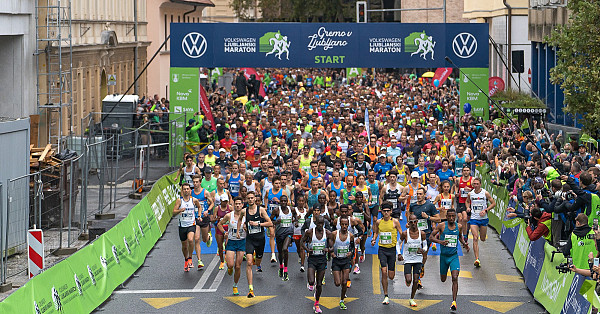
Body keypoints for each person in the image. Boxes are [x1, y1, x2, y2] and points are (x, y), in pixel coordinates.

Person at [430, 209, 469, 311]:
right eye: (449, 216)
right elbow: (431, 237)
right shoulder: (441, 226)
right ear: (446, 217)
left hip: (454, 257)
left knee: (455, 277)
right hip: (443, 257)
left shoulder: (459, 227)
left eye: (453, 216)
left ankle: (454, 302)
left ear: (455, 216)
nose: (451, 218)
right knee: (443, 279)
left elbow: (460, 237)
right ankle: (444, 274)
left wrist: (464, 244)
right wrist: (440, 242)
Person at [237, 191, 272, 297]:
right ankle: (250, 289)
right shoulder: (244, 211)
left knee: (258, 260)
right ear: (246, 200)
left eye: (252, 198)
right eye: (249, 198)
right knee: (248, 262)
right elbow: (239, 220)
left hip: (260, 239)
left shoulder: (260, 210)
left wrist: (258, 224)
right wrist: (239, 230)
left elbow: (270, 223)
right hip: (250, 239)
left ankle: (258, 263)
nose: (251, 200)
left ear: (255, 199)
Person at [371, 201, 403, 305]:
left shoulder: (395, 222)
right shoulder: (378, 222)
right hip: (382, 249)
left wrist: (402, 244)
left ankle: (386, 292)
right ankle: (386, 295)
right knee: (383, 271)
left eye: (387, 211)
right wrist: (374, 239)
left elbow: (401, 234)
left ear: (391, 211)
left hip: (392, 250)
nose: (385, 213)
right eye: (384, 211)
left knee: (391, 276)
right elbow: (376, 232)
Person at [408, 187, 440, 287]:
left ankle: (421, 267)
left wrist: (428, 217)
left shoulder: (430, 205)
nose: (418, 196)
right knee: (416, 253)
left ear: (424, 195)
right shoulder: (413, 205)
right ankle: (417, 277)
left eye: (420, 194)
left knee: (423, 254)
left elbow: (438, 219)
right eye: (417, 194)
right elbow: (409, 215)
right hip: (415, 233)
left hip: (426, 233)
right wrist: (409, 223)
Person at [300, 215, 330, 314]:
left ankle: (316, 304)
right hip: (312, 259)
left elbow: (332, 246)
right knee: (312, 281)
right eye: (319, 223)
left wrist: (328, 250)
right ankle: (310, 282)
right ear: (315, 223)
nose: (320, 225)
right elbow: (302, 241)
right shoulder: (310, 232)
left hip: (322, 260)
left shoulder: (327, 233)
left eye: (322, 223)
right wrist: (308, 249)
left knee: (320, 284)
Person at [217, 197, 246, 295]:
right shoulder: (229, 216)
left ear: (242, 205)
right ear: (233, 205)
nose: (237, 206)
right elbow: (219, 224)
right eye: (236, 204)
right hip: (231, 242)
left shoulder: (246, 216)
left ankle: (235, 285)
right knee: (230, 265)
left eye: (239, 204)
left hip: (241, 242)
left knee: (238, 266)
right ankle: (229, 268)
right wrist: (224, 232)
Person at [465, 177, 496, 267]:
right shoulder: (470, 194)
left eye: (477, 184)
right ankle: (477, 259)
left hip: (483, 219)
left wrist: (486, 210)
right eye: (474, 184)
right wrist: (468, 207)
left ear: (480, 184)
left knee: (482, 238)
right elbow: (467, 202)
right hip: (474, 219)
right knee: (475, 238)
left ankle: (481, 238)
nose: (476, 185)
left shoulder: (485, 193)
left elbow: (493, 203)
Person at [172, 183, 203, 272]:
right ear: (182, 191)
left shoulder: (194, 200)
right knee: (184, 246)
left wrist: (199, 215)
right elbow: (173, 212)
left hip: (191, 224)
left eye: (187, 189)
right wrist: (179, 210)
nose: (186, 191)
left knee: (190, 239)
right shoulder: (179, 201)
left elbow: (199, 207)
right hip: (182, 225)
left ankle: (190, 258)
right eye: (184, 189)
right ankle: (186, 259)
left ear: (190, 190)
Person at [399, 214, 428, 307]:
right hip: (407, 259)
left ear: (417, 222)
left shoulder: (422, 233)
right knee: (409, 280)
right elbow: (398, 243)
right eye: (411, 222)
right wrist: (399, 253)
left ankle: (411, 298)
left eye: (415, 221)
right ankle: (407, 279)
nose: (413, 224)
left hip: (418, 259)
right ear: (409, 223)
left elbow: (425, 245)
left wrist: (423, 250)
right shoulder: (405, 233)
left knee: (416, 281)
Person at [329, 216, 355, 310]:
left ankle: (342, 300)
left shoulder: (351, 235)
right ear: (339, 225)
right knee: (337, 283)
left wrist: (350, 253)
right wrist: (331, 253)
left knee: (344, 282)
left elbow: (352, 247)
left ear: (348, 225)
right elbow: (329, 244)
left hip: (345, 261)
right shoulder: (334, 234)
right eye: (342, 224)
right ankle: (338, 278)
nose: (344, 226)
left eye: (346, 224)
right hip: (336, 260)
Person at [271, 194, 296, 281]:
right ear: (279, 202)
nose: (284, 203)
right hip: (279, 234)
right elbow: (271, 221)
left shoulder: (291, 209)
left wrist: (294, 221)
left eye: (285, 201)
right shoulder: (276, 210)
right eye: (282, 201)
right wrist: (276, 222)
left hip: (288, 233)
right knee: (280, 253)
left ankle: (286, 269)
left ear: (287, 201)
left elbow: (295, 217)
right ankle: (281, 266)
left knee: (285, 249)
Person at [191, 175, 214, 269]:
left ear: (200, 182)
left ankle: (208, 237)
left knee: (204, 239)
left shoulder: (205, 192)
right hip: (195, 218)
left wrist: (207, 211)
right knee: (196, 239)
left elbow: (212, 203)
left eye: (197, 182)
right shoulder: (191, 192)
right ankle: (199, 260)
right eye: (194, 182)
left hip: (204, 218)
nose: (195, 184)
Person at [214, 194, 232, 270]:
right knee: (220, 247)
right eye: (223, 201)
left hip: (228, 228)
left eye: (226, 201)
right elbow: (213, 219)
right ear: (220, 201)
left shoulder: (230, 207)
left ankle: (227, 259)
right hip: (220, 228)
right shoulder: (217, 208)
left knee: (228, 245)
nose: (225, 203)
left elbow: (234, 216)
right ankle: (222, 261)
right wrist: (216, 218)